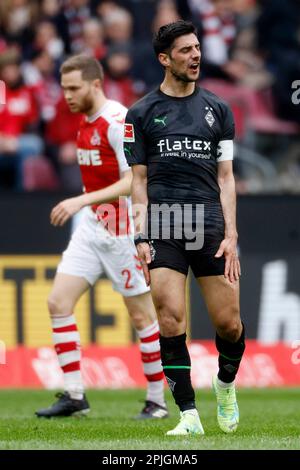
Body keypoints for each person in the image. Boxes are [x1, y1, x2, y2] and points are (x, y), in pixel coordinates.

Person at [124, 20, 245, 436]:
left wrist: (231, 235)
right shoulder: (140, 113)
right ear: (164, 59)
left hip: (210, 223)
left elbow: (226, 177)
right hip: (163, 224)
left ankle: (225, 384)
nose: (196, 55)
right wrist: (140, 234)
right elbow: (138, 181)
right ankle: (189, 415)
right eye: (185, 51)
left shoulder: (219, 109)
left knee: (229, 325)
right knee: (171, 319)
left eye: (197, 48)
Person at [35, 55, 168, 420]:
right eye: (63, 88)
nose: (67, 95)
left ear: (96, 84)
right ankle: (75, 396)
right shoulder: (84, 120)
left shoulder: (117, 120)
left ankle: (157, 401)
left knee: (142, 318)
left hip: (125, 232)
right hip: (94, 229)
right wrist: (88, 205)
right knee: (57, 302)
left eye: (74, 88)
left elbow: (132, 180)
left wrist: (80, 199)